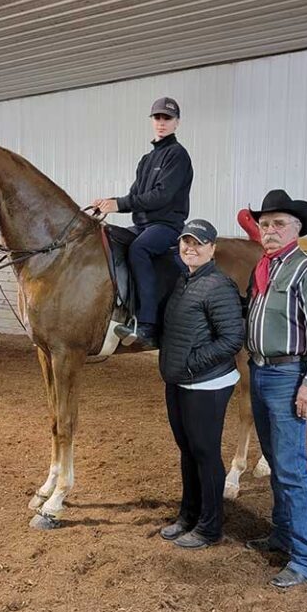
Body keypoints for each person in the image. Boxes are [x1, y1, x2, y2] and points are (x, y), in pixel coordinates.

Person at [237, 190, 307, 589]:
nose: (271, 230)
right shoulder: (264, 268)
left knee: (292, 467)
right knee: (276, 460)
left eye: (279, 224)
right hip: (260, 373)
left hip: (287, 376)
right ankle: (282, 533)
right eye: (265, 224)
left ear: (296, 229)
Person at [157, 219, 244, 549]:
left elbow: (232, 337)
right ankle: (188, 515)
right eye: (186, 242)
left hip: (206, 383)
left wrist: (192, 363)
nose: (190, 248)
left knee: (205, 453)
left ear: (212, 248)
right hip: (179, 381)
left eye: (198, 243)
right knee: (188, 450)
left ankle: (210, 526)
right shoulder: (184, 280)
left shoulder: (218, 285)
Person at [93, 97, 193, 350]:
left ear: (176, 123)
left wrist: (119, 204)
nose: (161, 123)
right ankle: (120, 311)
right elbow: (135, 194)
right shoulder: (146, 159)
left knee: (140, 249)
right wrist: (110, 201)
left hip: (166, 225)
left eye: (167, 119)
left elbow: (162, 196)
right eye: (157, 118)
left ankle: (146, 324)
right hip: (143, 225)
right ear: (152, 121)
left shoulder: (178, 155)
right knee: (110, 239)